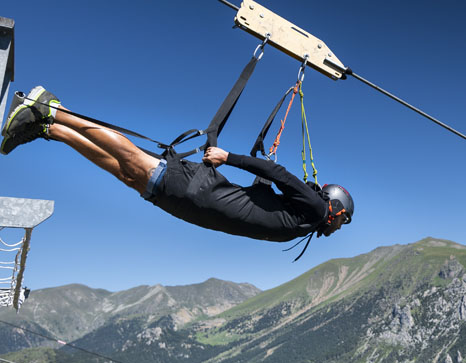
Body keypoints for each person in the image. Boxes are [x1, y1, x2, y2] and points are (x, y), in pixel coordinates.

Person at [1, 86, 354, 245]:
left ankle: (49, 128)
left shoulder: (302, 222)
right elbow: (276, 174)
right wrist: (227, 157)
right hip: (199, 193)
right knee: (132, 160)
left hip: (192, 204)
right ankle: (51, 108)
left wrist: (254, 169)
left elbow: (261, 199)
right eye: (343, 222)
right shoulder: (316, 209)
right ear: (335, 208)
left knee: (126, 174)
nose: (338, 229)